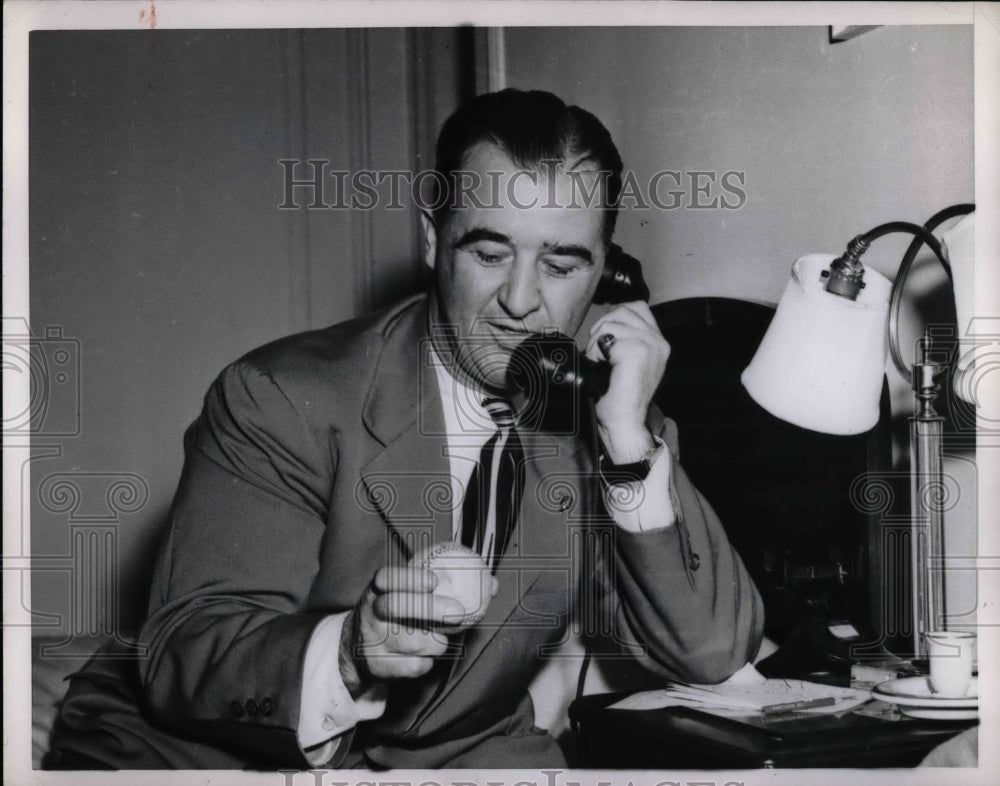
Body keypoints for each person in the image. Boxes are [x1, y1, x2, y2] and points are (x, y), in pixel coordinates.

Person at [46, 88, 763, 770]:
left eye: (560, 262)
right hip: (203, 758)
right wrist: (354, 650)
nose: (519, 300)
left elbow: (711, 653)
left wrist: (630, 444)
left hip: (455, 755)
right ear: (432, 239)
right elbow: (187, 654)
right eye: (488, 253)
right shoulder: (280, 397)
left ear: (609, 274)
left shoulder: (606, 418)